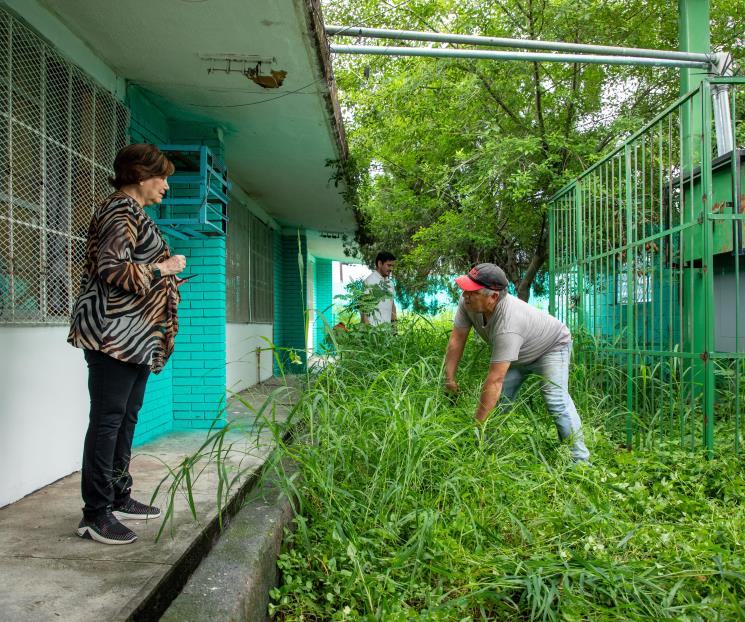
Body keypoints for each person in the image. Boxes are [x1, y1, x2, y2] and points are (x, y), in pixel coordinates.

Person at [68, 144, 187, 544]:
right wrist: (163, 268)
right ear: (140, 175)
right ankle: (94, 514)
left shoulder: (132, 213)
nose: (166, 186)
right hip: (113, 334)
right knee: (107, 421)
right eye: (162, 177)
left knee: (126, 418)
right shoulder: (120, 210)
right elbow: (111, 268)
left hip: (134, 336)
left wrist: (165, 280)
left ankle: (119, 496)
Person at [444, 263, 590, 463]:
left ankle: (581, 462)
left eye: (472, 292)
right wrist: (449, 378)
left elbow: (495, 379)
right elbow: (456, 340)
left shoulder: (508, 323)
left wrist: (475, 426)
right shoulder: (468, 304)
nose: (464, 295)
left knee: (555, 399)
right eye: (465, 289)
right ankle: (485, 451)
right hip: (518, 353)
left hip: (551, 347)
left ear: (493, 297)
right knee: (499, 401)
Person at [361, 251, 397, 326]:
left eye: (392, 266)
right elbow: (364, 309)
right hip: (373, 332)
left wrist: (394, 328)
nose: (391, 269)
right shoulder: (369, 282)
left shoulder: (390, 283)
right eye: (389, 265)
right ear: (380, 264)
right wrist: (368, 331)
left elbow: (392, 305)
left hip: (387, 332)